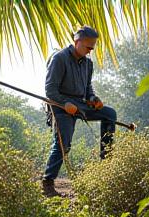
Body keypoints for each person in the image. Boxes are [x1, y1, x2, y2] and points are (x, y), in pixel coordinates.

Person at [42, 26, 117, 197]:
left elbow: (87, 89)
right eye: (88, 47)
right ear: (77, 42)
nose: (90, 51)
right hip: (60, 106)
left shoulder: (88, 64)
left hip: (80, 105)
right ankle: (47, 182)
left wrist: (93, 99)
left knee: (109, 114)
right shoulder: (59, 59)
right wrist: (65, 103)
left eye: (93, 48)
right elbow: (50, 90)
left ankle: (106, 167)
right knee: (64, 144)